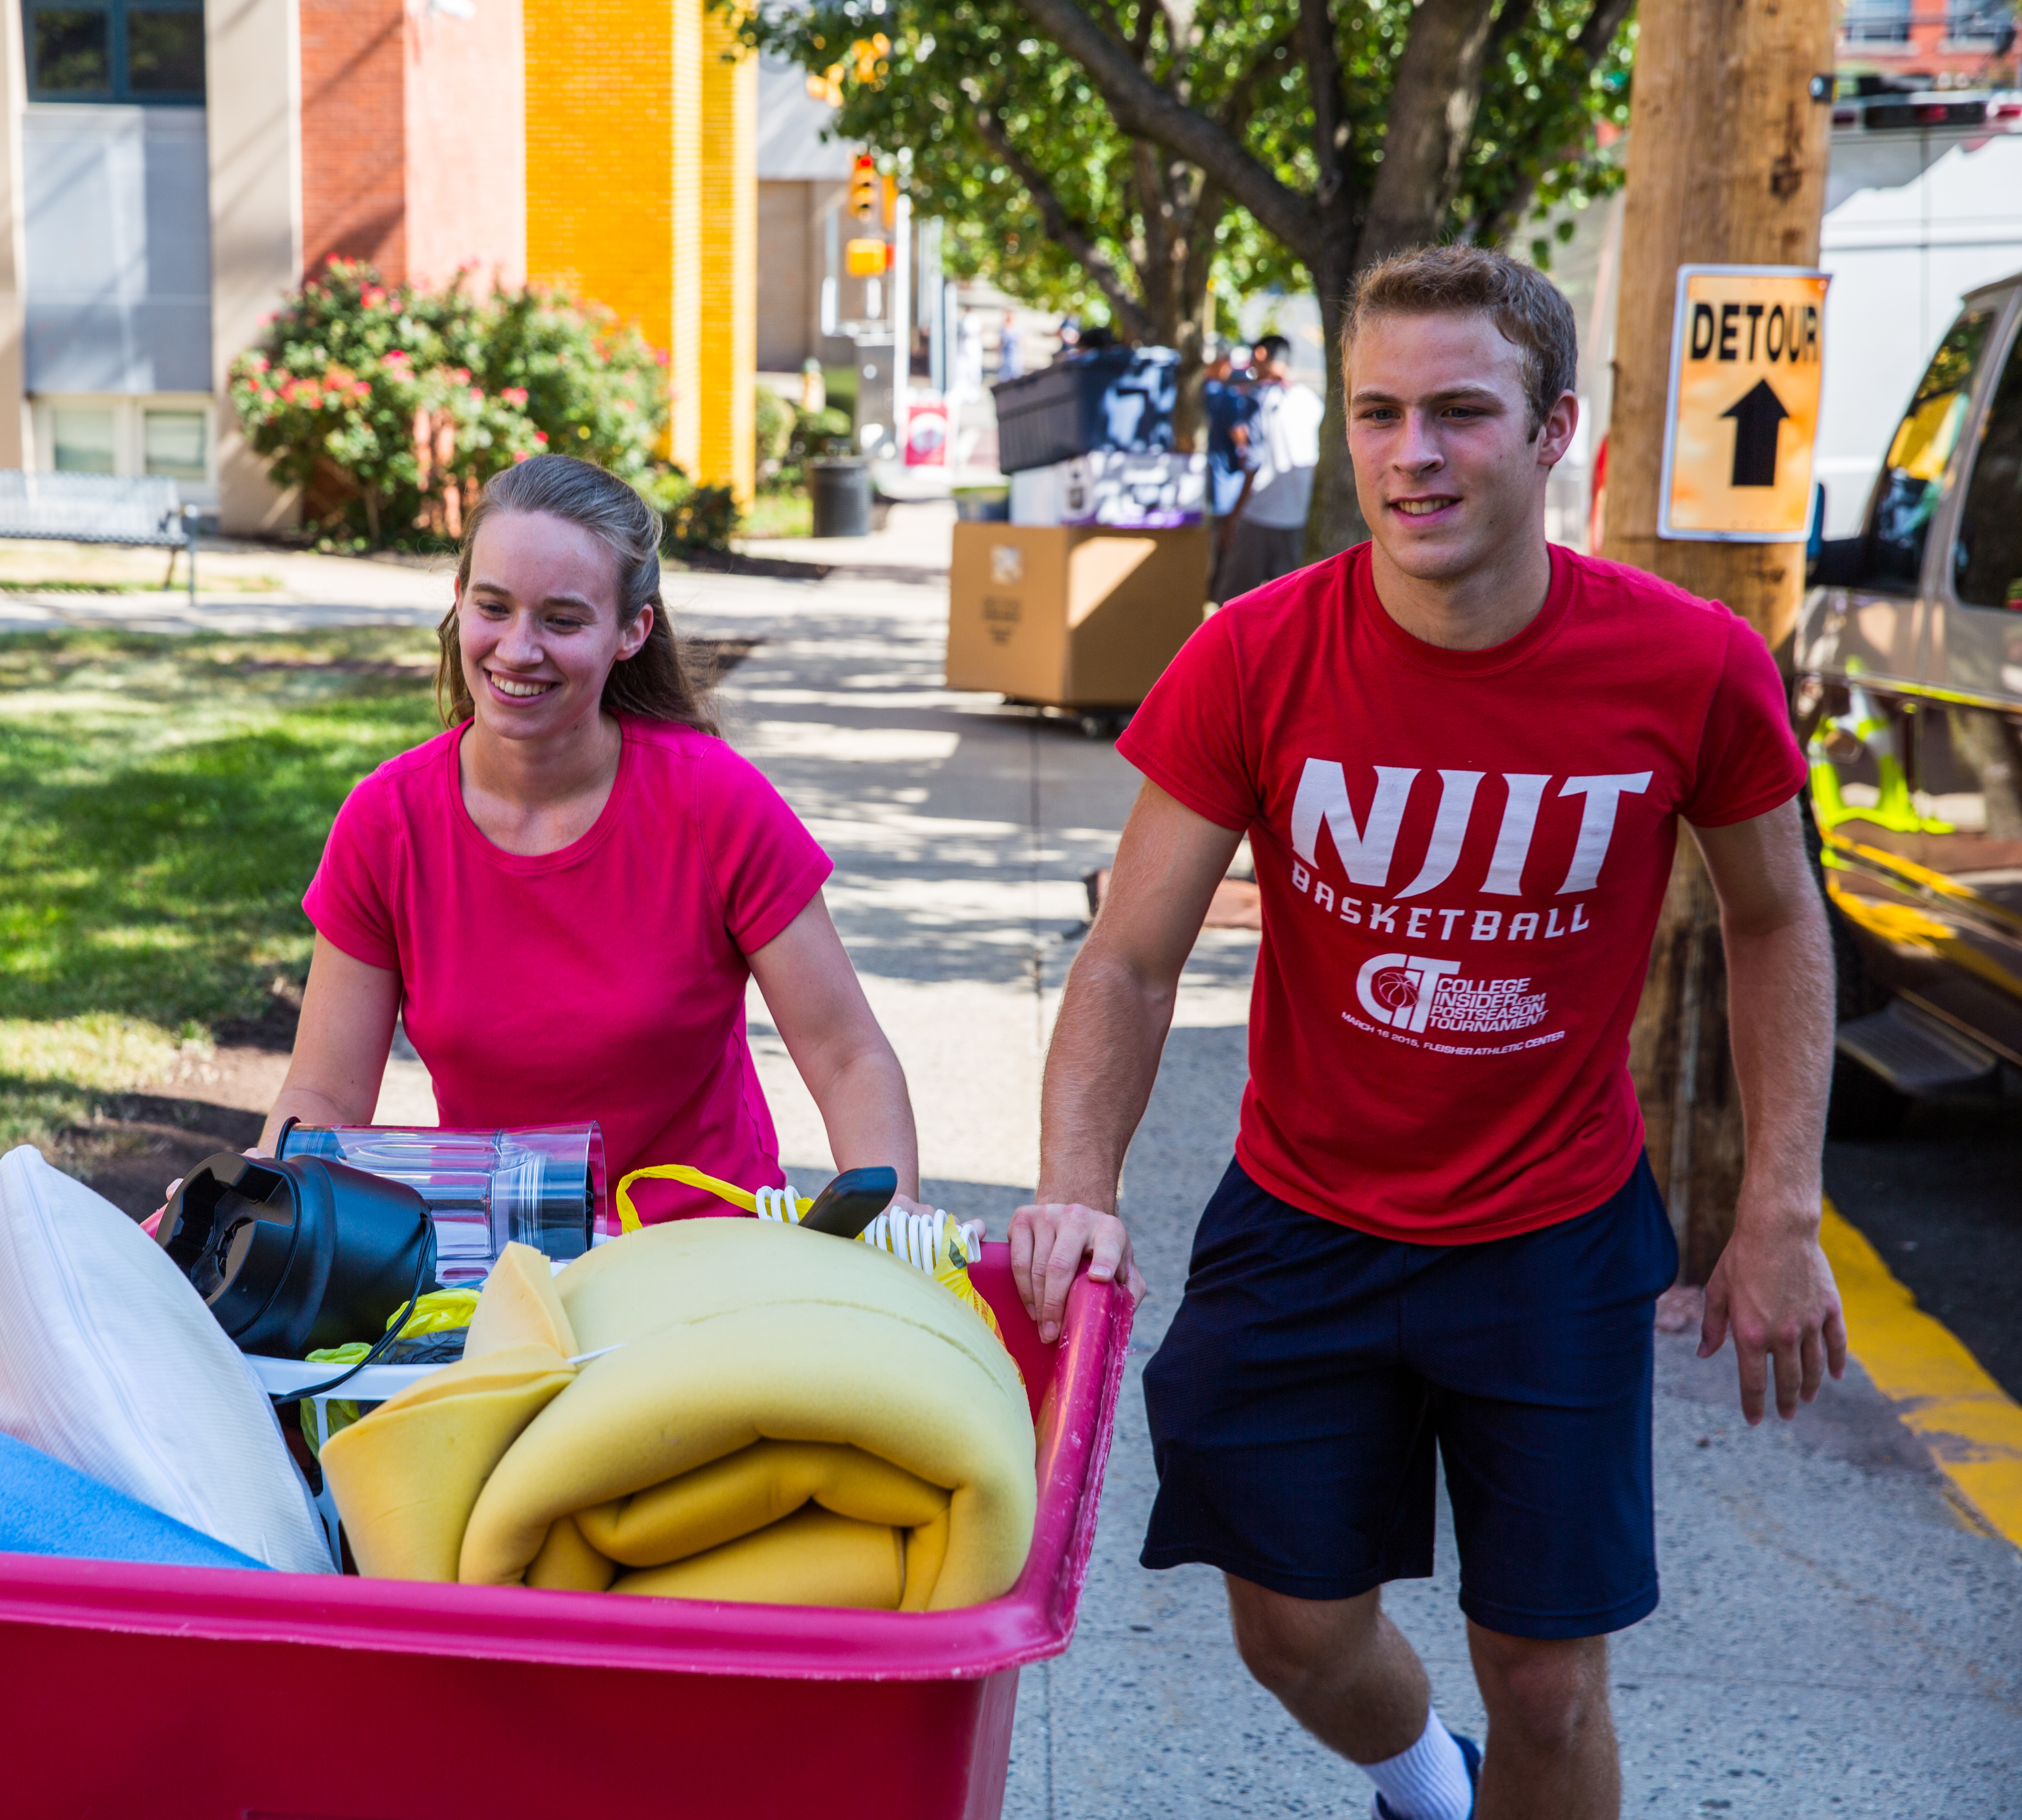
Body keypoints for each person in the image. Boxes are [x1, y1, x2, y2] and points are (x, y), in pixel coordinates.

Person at [1010, 246, 1841, 1820]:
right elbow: (1126, 959)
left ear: (1556, 436)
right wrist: (1079, 1187)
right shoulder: (1255, 655)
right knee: (1293, 1628)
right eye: (1380, 413)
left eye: (1461, 412)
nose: (1415, 455)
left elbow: (1778, 917)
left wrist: (1779, 1209)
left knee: (1547, 1678)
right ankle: (1427, 1791)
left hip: (1553, 1236)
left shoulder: (1689, 666)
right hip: (1303, 1220)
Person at [265, 454, 935, 1228]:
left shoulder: (715, 803)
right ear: (459, 602)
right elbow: (325, 1098)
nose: (518, 649)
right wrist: (259, 1198)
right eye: (494, 608)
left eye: (562, 620)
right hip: (497, 1262)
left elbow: (847, 1055)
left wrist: (894, 1213)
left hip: (706, 1255)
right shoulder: (388, 822)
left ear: (630, 631)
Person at [1215, 332, 1322, 598]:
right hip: (1297, 516)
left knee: (1236, 604)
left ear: (1261, 354)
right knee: (1288, 606)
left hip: (1259, 514)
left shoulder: (1259, 400)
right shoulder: (1312, 401)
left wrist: (1235, 516)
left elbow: (1254, 460)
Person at [1201, 344, 1259, 601]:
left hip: (1218, 486)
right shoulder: (1226, 397)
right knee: (1220, 551)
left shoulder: (1208, 393)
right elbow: (1241, 437)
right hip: (1224, 488)